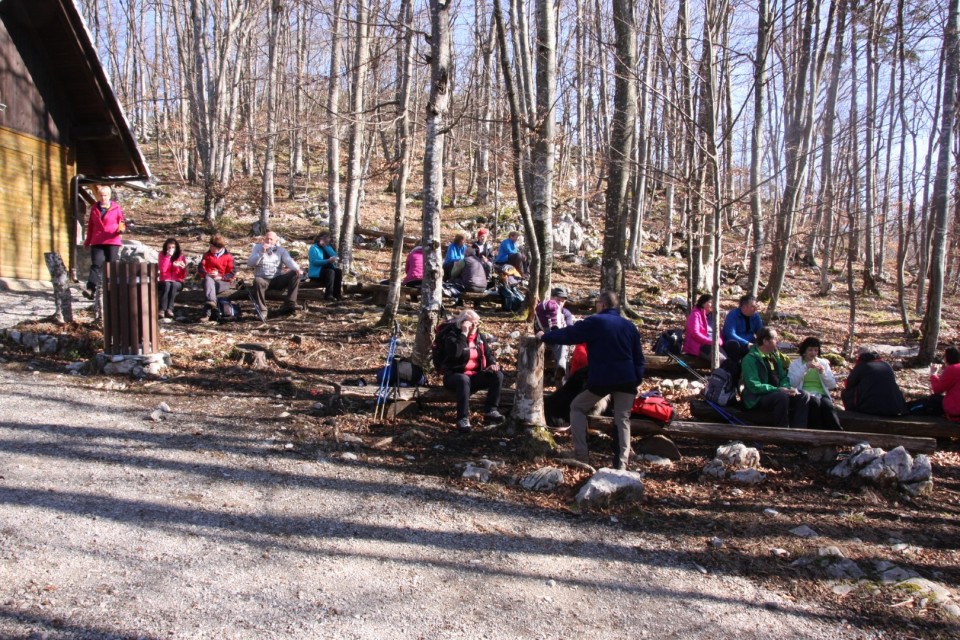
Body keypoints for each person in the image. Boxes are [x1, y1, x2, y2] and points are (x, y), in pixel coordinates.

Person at [538, 291, 645, 469]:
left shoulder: (595, 322)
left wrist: (544, 336)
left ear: (602, 304)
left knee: (577, 407)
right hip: (627, 378)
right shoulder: (629, 326)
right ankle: (621, 463)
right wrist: (637, 378)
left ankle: (581, 455)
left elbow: (569, 335)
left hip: (603, 378)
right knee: (623, 418)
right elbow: (639, 358)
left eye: (597, 302)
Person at [439, 310, 504, 432]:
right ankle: (462, 419)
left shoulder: (480, 337)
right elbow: (455, 354)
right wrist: (464, 333)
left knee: (497, 375)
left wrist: (492, 365)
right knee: (463, 379)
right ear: (463, 323)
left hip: (474, 376)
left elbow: (488, 354)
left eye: (477, 324)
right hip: (453, 376)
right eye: (472, 324)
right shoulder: (452, 336)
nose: (475, 327)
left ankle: (491, 410)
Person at [740, 327, 811, 428]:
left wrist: (786, 387)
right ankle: (782, 433)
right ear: (765, 341)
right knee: (781, 397)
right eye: (775, 338)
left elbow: (783, 376)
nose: (777, 341)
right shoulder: (750, 359)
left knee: (803, 395)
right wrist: (777, 390)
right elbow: (754, 386)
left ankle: (798, 432)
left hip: (777, 392)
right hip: (757, 398)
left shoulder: (774, 356)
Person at [82, 184, 126, 299]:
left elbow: (122, 221)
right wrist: (87, 241)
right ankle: (91, 289)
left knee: (110, 265)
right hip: (97, 240)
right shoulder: (94, 208)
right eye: (101, 195)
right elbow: (91, 226)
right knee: (96, 264)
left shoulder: (116, 208)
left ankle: (111, 290)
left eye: (105, 195)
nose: (103, 198)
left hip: (112, 239)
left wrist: (121, 229)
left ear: (109, 196)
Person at [788, 337, 841, 430]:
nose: (813, 353)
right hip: (805, 394)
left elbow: (832, 385)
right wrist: (805, 367)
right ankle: (816, 432)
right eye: (810, 350)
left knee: (828, 406)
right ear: (804, 350)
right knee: (815, 403)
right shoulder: (795, 364)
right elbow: (793, 383)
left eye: (816, 350)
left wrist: (823, 373)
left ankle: (838, 432)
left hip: (821, 393)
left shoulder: (823, 363)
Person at [247, 230, 301, 318]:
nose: (268, 241)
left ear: (276, 241)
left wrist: (297, 269)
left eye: (271, 239)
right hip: (263, 279)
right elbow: (250, 263)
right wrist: (261, 253)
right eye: (267, 239)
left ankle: (290, 303)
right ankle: (262, 310)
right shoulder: (257, 248)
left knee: (295, 274)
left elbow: (289, 261)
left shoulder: (281, 250)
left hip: (277, 279)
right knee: (257, 281)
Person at [841, 349, 908, 416]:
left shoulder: (862, 365)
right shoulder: (887, 365)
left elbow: (848, 385)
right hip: (895, 408)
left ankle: (852, 414)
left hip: (869, 408)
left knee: (845, 392)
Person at [535, 287, 576, 380]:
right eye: (558, 300)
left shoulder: (566, 313)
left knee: (562, 340)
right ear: (552, 298)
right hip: (544, 341)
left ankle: (560, 372)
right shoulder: (542, 311)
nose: (560, 303)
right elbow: (537, 328)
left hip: (560, 343)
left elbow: (569, 329)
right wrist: (542, 334)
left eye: (563, 301)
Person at [199, 234, 235, 319]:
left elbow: (232, 273)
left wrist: (221, 277)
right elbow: (200, 269)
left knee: (210, 288)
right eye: (210, 245)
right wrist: (207, 274)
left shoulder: (228, 257)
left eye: (212, 246)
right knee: (208, 280)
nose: (210, 248)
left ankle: (207, 312)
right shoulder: (206, 255)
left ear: (219, 248)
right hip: (208, 280)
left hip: (223, 282)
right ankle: (212, 303)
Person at [721, 294, 763, 362]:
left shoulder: (755, 316)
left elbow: (761, 331)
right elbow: (730, 334)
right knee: (733, 345)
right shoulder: (733, 315)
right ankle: (735, 368)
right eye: (753, 306)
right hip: (736, 343)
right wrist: (746, 343)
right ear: (744, 307)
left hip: (750, 343)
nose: (755, 309)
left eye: (756, 306)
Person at [682, 294, 724, 361]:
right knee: (722, 360)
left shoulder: (713, 316)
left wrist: (719, 340)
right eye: (710, 302)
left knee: (729, 357)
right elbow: (695, 334)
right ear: (703, 303)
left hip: (713, 344)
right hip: (700, 346)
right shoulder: (695, 315)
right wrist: (711, 342)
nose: (713, 304)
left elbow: (719, 332)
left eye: (714, 302)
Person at [927, 346, 960, 420]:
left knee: (933, 399)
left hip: (955, 410)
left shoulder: (952, 369)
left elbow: (938, 390)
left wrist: (933, 374)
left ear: (946, 358)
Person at [157, 238, 187, 319]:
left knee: (173, 285)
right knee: (167, 285)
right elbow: (163, 270)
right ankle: (162, 309)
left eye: (173, 247)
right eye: (169, 247)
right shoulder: (162, 255)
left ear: (176, 248)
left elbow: (183, 275)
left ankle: (170, 309)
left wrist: (183, 268)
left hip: (177, 281)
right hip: (164, 280)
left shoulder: (181, 256)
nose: (171, 249)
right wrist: (168, 257)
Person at [308, 231, 343, 300]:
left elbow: (334, 255)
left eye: (328, 238)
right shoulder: (313, 248)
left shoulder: (327, 247)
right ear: (320, 238)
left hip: (327, 270)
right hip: (317, 273)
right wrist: (327, 261)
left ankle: (337, 294)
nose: (328, 239)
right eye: (326, 238)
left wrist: (325, 247)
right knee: (330, 272)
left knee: (338, 271)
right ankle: (328, 295)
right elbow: (314, 262)